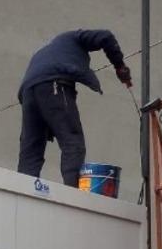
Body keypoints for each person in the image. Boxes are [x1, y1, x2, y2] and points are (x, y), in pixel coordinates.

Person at [17, 30, 132, 187]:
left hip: (28, 92)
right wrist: (120, 66)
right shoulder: (76, 37)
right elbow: (106, 36)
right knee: (73, 142)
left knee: (31, 150)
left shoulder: (45, 53)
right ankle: (72, 194)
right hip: (54, 83)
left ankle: (23, 189)